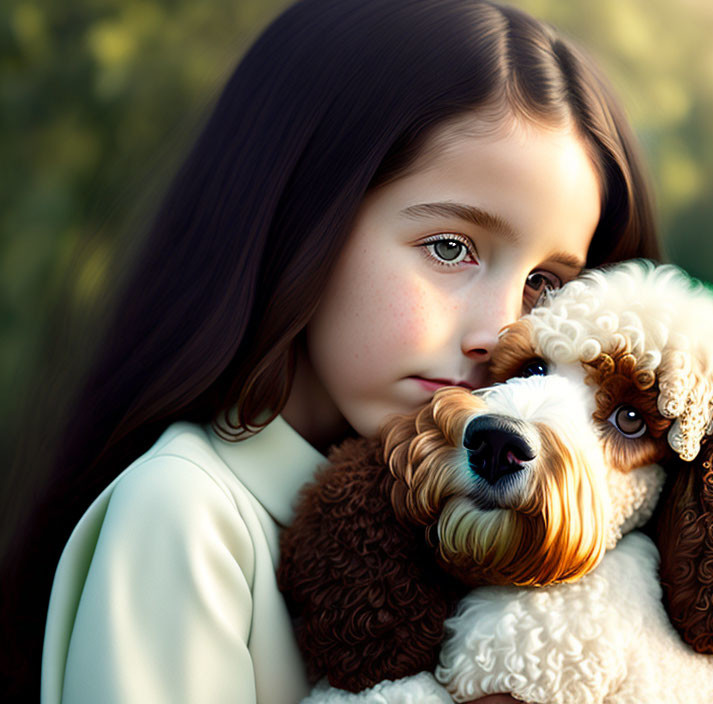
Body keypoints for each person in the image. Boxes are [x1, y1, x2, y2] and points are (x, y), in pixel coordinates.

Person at [0, 0, 661, 702]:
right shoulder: (183, 515)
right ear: (304, 211)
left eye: (541, 284)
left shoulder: (489, 528)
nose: (502, 335)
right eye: (449, 248)